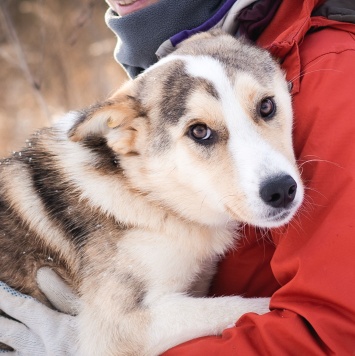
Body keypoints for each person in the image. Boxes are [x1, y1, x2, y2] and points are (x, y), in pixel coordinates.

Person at [1, 0, 355, 354]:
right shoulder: (123, 166)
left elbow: (328, 328)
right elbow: (127, 332)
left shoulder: (326, 65)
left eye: (265, 108)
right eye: (202, 132)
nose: (270, 173)